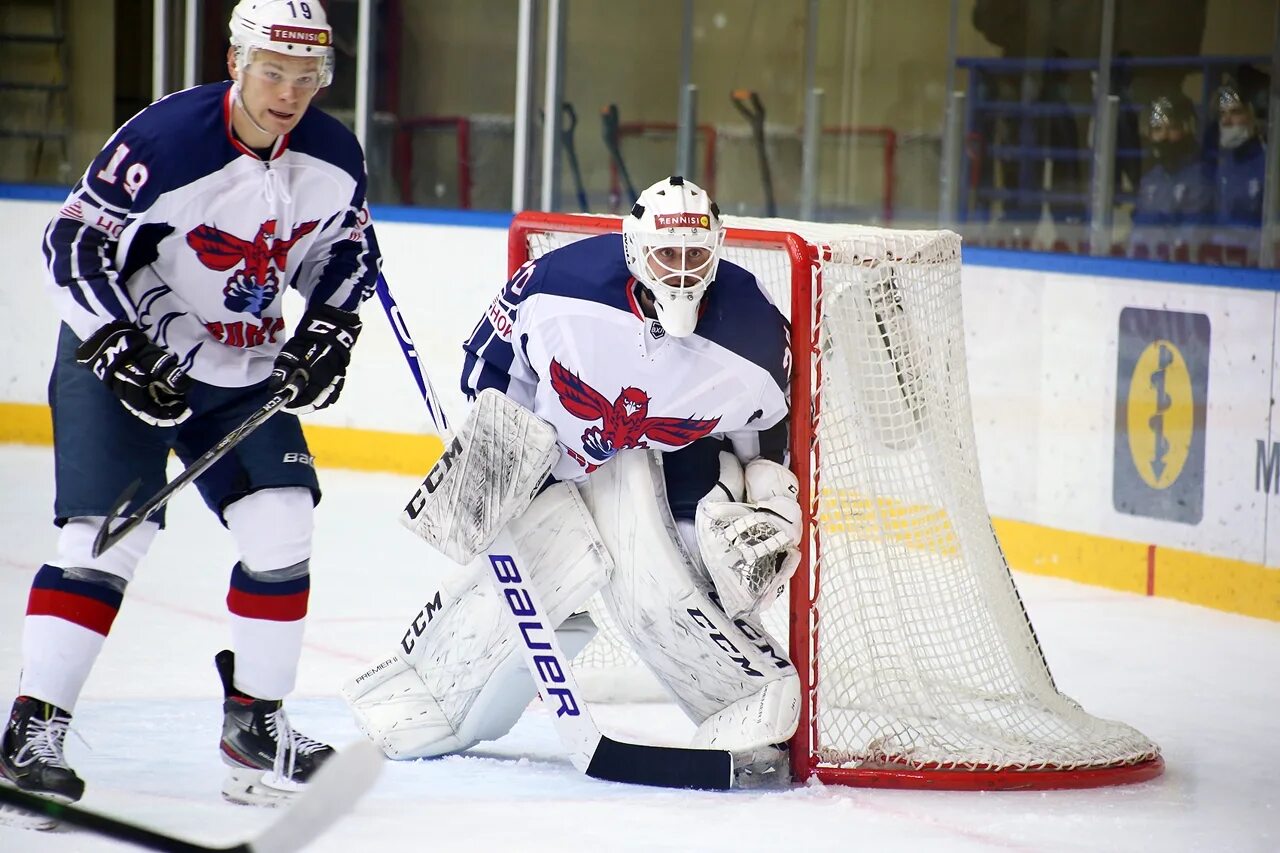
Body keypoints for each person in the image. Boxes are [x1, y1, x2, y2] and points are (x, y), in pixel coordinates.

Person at [0, 0, 381, 815]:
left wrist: (330, 330)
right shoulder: (164, 141)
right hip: (127, 351)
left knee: (283, 522)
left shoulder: (335, 153)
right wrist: (115, 343)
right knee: (105, 540)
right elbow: (73, 243)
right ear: (236, 60)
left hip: (239, 361)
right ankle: (32, 731)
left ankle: (255, 726)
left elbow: (345, 250)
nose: (287, 91)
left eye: (306, 76)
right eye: (273, 71)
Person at [344, 176, 801, 786]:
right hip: (550, 459)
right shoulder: (561, 284)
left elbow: (766, 425)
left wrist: (767, 494)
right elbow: (490, 366)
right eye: (669, 254)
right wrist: (498, 459)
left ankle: (742, 696)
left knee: (680, 567)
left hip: (669, 465)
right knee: (518, 581)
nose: (684, 272)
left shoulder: (751, 325)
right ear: (636, 249)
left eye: (697, 255)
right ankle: (425, 696)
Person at [1129, 92, 1213, 262]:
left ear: (1186, 129)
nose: (1164, 136)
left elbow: (1191, 239)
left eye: (1172, 128)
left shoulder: (1200, 177)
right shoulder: (1150, 179)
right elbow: (1139, 229)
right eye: (1158, 129)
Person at [1209, 83, 1267, 263]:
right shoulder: (1222, 163)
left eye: (1235, 112)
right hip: (1221, 262)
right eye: (1222, 114)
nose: (1226, 121)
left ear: (1252, 115)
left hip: (1256, 265)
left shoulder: (1270, 164)